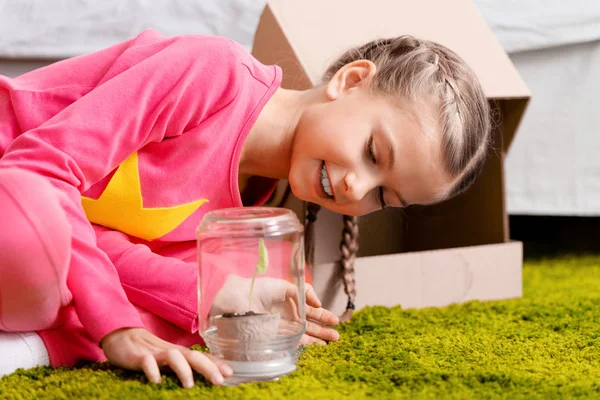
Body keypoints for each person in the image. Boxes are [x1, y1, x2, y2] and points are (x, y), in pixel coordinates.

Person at [0, 30, 490, 387]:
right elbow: (38, 169)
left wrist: (218, 296)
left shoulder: (254, 215)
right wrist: (116, 324)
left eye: (382, 197)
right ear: (352, 79)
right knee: (41, 234)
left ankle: (27, 347)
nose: (355, 187)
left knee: (200, 320)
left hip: (39, 267)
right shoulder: (211, 73)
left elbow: (103, 243)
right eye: (373, 153)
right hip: (15, 185)